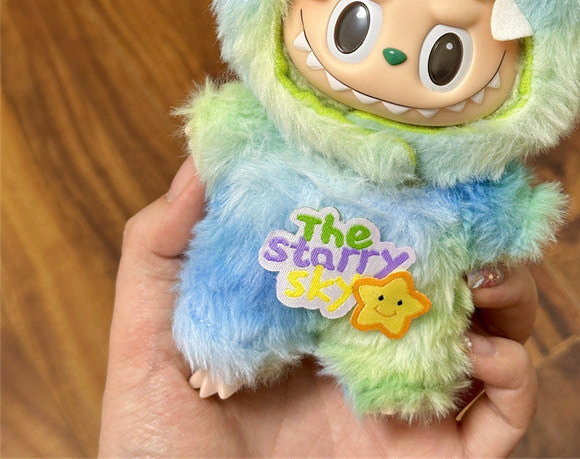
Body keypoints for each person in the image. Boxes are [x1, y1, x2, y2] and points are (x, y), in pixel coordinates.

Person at [98, 158, 540, 458]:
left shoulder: (461, 180)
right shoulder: (269, 138)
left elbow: (509, 218)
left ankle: (397, 379)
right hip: (285, 258)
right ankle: (228, 349)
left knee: (422, 311)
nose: (392, 57)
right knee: (241, 271)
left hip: (392, 282)